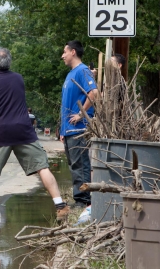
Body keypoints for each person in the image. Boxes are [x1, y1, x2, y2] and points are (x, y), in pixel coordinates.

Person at [0, 48, 70, 224]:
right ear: (9, 63)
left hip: (0, 132)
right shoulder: (18, 78)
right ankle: (60, 206)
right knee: (42, 166)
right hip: (23, 130)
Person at [60, 40, 98, 208]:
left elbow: (94, 92)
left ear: (73, 52)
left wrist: (81, 113)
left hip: (79, 128)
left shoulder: (82, 71)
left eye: (64, 52)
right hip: (68, 129)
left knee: (80, 164)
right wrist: (62, 129)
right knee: (74, 164)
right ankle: (79, 197)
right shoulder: (71, 73)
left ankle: (84, 200)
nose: (63, 55)